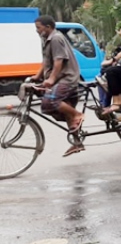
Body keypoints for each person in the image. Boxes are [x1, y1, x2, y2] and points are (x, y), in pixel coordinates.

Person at [31, 16, 85, 156]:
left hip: (67, 78)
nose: (37, 31)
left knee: (50, 101)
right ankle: (77, 143)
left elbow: (59, 61)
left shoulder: (56, 38)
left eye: (39, 27)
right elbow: (46, 60)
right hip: (60, 79)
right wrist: (37, 76)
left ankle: (77, 115)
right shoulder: (46, 39)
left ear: (48, 26)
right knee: (64, 109)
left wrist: (51, 78)